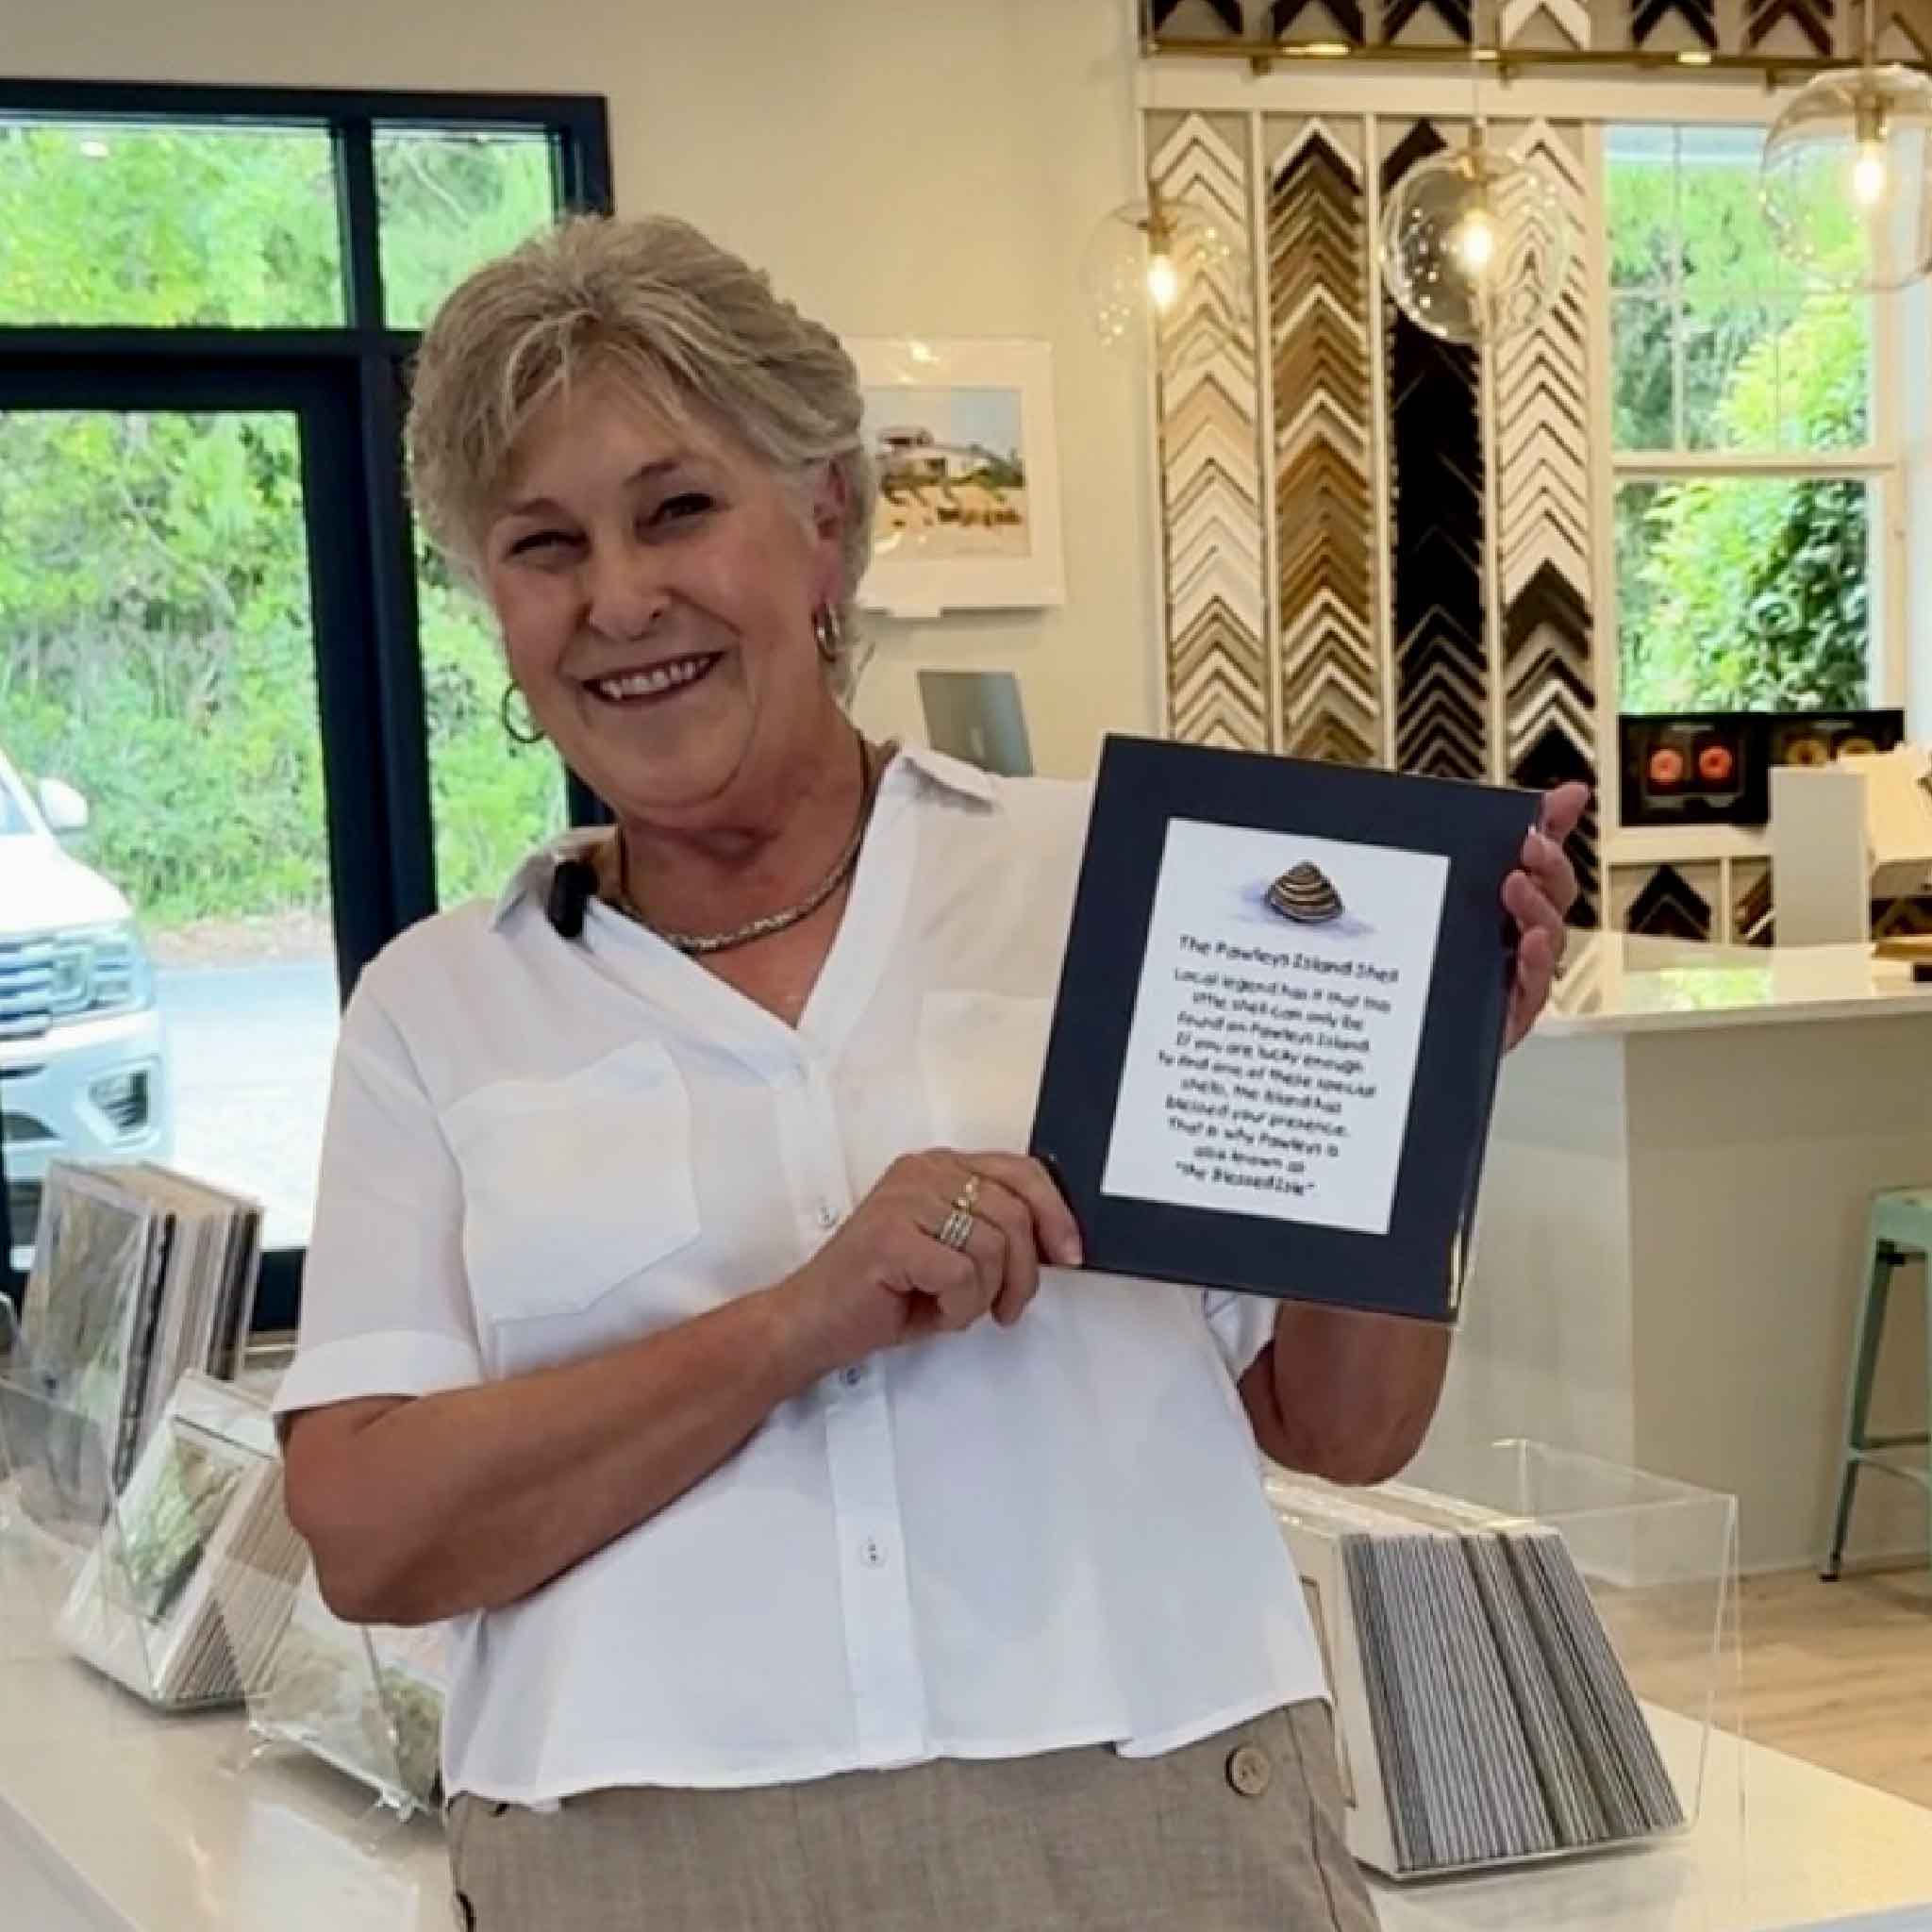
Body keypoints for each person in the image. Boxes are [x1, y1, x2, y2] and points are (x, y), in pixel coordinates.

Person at [276, 213, 1586, 1932]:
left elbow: (1342, 1427)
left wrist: (1420, 1086)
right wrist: (794, 1325)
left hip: (1160, 1838)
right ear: (494, 605)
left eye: (678, 509)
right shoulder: (442, 1007)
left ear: (824, 520)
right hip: (636, 1873)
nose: (619, 600)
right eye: (543, 546)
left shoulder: (1132, 885)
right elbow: (369, 1536)